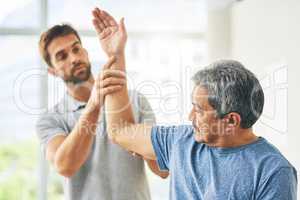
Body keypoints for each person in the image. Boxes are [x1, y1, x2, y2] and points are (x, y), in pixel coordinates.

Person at [91, 7, 298, 200]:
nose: (190, 117)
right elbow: (121, 131)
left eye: (199, 110)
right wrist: (115, 55)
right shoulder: (182, 140)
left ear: (231, 121)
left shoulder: (273, 172)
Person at [36, 22, 168, 200]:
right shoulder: (50, 120)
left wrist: (117, 54)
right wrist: (94, 105)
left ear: (86, 53)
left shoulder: (136, 100)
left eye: (76, 49)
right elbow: (65, 166)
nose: (73, 58)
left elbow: (162, 170)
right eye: (62, 56)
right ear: (52, 71)